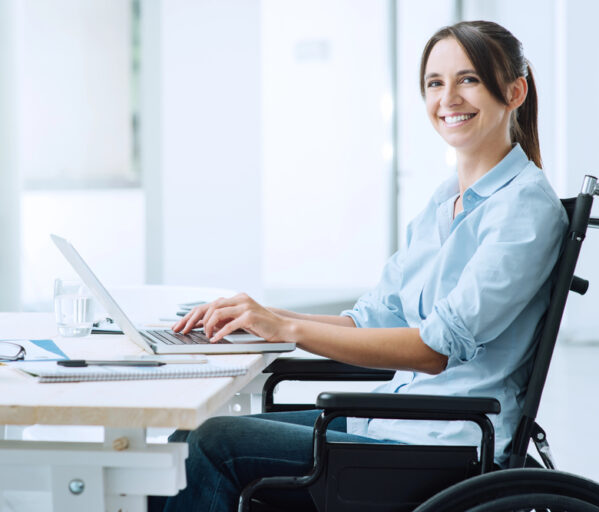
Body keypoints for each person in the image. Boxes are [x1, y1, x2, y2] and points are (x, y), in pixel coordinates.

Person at [149, 20, 568, 512]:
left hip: (442, 443)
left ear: (515, 91)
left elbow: (436, 349)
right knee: (188, 436)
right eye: (435, 83)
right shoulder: (443, 204)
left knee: (210, 445)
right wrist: (259, 318)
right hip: (391, 423)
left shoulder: (524, 208)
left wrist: (287, 326)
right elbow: (369, 320)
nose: (448, 97)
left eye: (468, 79)